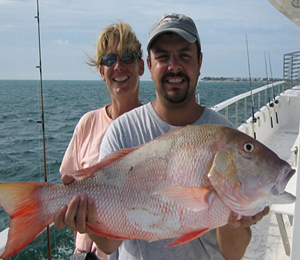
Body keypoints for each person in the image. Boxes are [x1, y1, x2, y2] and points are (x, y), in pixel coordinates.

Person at [55, 13, 269, 260]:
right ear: (149, 64)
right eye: (163, 57)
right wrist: (86, 222)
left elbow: (233, 254)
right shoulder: (122, 131)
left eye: (184, 55)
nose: (174, 66)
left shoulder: (225, 134)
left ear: (199, 62)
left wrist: (234, 218)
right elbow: (109, 245)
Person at [58, 22, 144, 259]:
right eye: (108, 59)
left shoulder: (154, 128)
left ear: (141, 66)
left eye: (128, 56)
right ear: (100, 70)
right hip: (84, 252)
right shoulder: (87, 124)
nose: (118, 66)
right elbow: (68, 183)